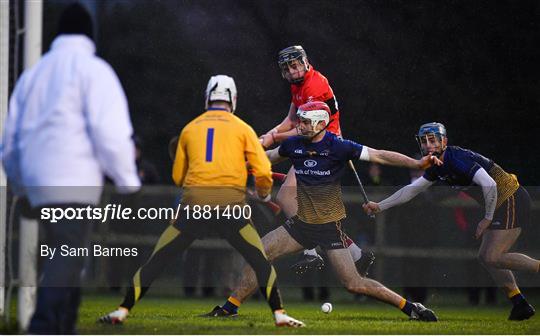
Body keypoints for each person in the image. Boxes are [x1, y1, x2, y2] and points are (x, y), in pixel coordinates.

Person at [99, 75, 304, 327]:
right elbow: (262, 172)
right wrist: (263, 194)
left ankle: (122, 310)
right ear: (233, 100)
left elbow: (178, 177)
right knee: (260, 262)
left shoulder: (190, 128)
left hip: (195, 207)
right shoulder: (243, 129)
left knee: (157, 260)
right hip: (231, 208)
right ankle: (280, 315)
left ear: (207, 98)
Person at [205, 101, 439, 321]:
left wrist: (417, 164)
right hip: (300, 225)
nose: (300, 126)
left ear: (320, 123)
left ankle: (411, 307)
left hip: (328, 227)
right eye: (300, 121)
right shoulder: (293, 144)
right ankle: (229, 308)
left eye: (305, 122)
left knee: (354, 283)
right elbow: (265, 159)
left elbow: (378, 154)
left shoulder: (338, 146)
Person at [1, 3, 141, 333]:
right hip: (74, 178)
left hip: (37, 182)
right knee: (68, 253)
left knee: (66, 255)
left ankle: (63, 325)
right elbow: (110, 134)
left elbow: (9, 140)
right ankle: (44, 325)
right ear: (88, 35)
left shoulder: (32, 75)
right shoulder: (94, 70)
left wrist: (21, 185)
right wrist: (127, 180)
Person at [363, 122, 537, 321]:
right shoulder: (436, 166)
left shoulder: (455, 157)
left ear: (444, 141)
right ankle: (520, 303)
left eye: (433, 140)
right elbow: (411, 190)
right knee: (486, 257)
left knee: (492, 256)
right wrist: (380, 205)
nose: (428, 145)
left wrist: (487, 218)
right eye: (424, 141)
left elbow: (489, 183)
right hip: (500, 204)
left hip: (511, 198)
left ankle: (524, 293)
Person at [259, 45, 373, 275]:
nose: (291, 71)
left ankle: (310, 249)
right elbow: (292, 120)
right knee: (314, 211)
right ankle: (356, 254)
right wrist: (267, 137)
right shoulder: (298, 86)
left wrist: (273, 138)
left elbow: (303, 129)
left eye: (294, 65)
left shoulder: (314, 86)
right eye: (287, 68)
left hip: (325, 148)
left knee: (285, 196)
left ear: (304, 62)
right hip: (313, 146)